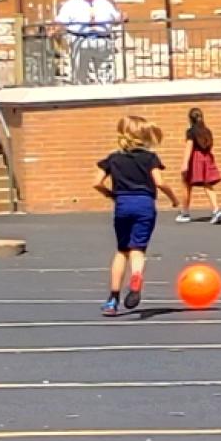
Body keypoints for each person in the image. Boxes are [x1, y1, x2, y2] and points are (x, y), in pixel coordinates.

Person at [94, 114, 177, 315]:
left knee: (122, 250)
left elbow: (96, 182)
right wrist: (174, 198)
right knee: (138, 249)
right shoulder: (150, 158)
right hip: (145, 204)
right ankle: (136, 278)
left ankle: (113, 300)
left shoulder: (113, 159)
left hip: (123, 204)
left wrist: (112, 195)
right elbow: (159, 182)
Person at [55, 0, 123, 84]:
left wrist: (123, 17)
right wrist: (54, 30)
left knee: (105, 75)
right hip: (80, 41)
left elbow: (117, 18)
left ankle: (105, 95)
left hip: (102, 41)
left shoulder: (104, 4)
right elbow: (60, 20)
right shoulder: (71, 4)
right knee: (79, 74)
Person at [176, 106, 221, 225]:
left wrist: (185, 164)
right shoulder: (207, 131)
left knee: (186, 184)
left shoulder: (191, 132)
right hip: (207, 157)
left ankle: (185, 213)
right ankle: (216, 209)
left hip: (195, 159)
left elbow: (189, 148)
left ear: (190, 119)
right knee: (208, 185)